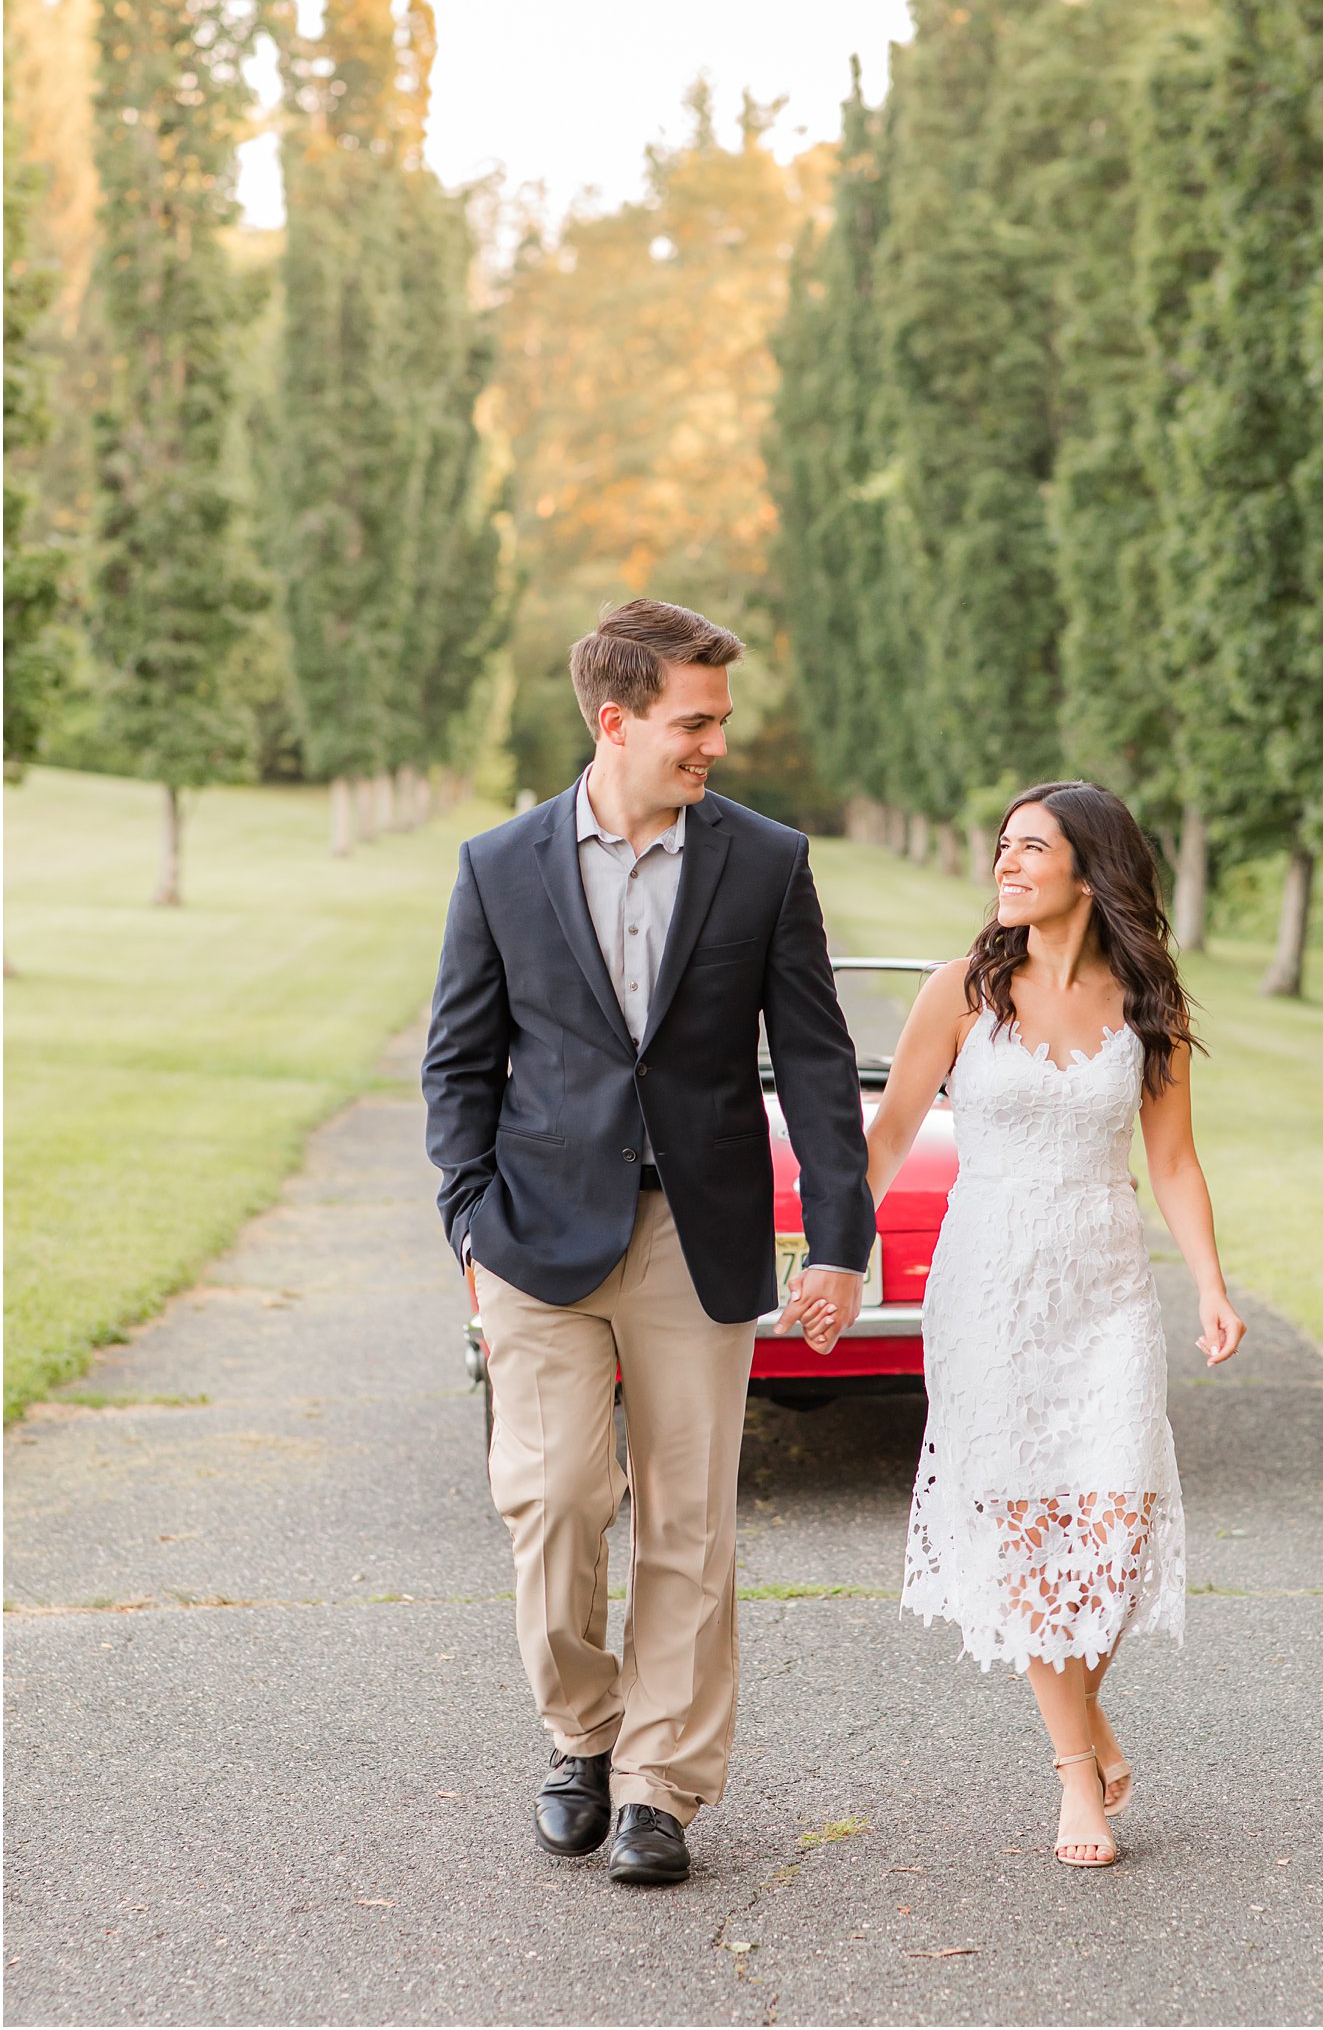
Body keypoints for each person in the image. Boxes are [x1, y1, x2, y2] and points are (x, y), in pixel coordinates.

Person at [420, 598, 873, 1886]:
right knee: (554, 1504)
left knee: (687, 1523)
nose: (715, 744)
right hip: (533, 1242)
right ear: (614, 722)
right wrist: (466, 1217)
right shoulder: (498, 866)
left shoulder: (766, 861)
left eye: (719, 721)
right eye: (695, 721)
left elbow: (818, 1063)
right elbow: (458, 1063)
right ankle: (583, 1733)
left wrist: (835, 1237)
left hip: (701, 1235)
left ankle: (658, 1790)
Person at [851, 780, 1245, 1869]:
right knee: (1031, 1525)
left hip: (1106, 1287)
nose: (1006, 865)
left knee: (1113, 1528)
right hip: (986, 1292)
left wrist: (1208, 1283)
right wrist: (838, 1261)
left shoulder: (1145, 1002)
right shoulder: (959, 993)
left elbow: (1170, 1159)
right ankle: (1076, 1775)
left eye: (1031, 848)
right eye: (1001, 847)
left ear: (1089, 868)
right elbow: (882, 1144)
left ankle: (1085, 1717)